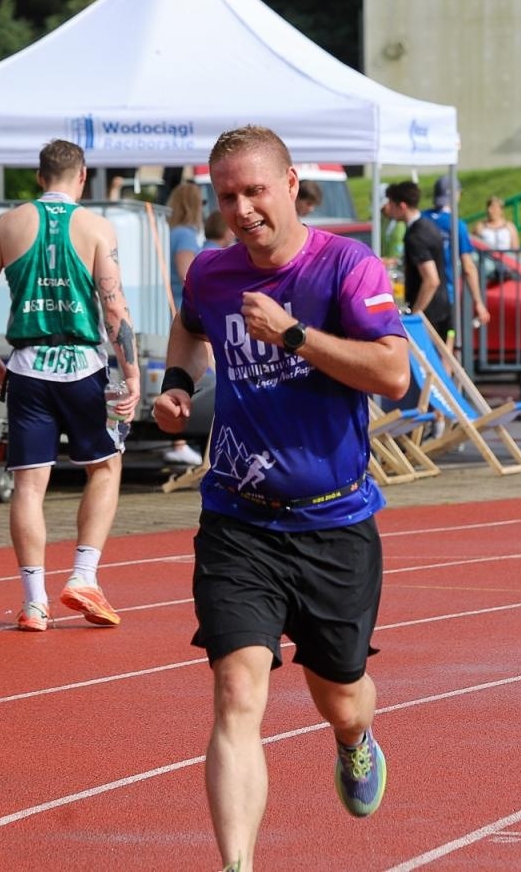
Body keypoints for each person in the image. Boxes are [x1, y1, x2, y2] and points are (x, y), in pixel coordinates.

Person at [151, 125, 409, 871]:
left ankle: (355, 742)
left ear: (291, 184)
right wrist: (175, 386)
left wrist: (296, 336)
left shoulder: (346, 268)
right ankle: (237, 866)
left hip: (334, 522)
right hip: (238, 520)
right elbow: (189, 326)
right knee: (237, 691)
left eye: (255, 191)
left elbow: (393, 374)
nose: (242, 209)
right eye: (227, 196)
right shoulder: (211, 272)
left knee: (342, 695)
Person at [0, 139, 141, 632]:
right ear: (81, 177)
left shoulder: (10, 223)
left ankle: (34, 601)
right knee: (105, 468)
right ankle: (84, 575)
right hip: (83, 366)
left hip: (27, 367)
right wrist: (131, 373)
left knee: (29, 483)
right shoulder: (97, 228)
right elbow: (114, 308)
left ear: (40, 178)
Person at [164, 183, 207, 467]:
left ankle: (179, 441)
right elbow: (189, 274)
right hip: (183, 311)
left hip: (171, 308)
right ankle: (179, 442)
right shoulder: (186, 235)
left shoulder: (170, 232)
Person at [424, 174, 491, 338]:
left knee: (424, 349)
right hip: (447, 296)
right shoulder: (457, 225)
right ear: (455, 195)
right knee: (447, 350)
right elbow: (468, 267)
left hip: (421, 295)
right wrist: (479, 303)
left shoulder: (422, 219)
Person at [382, 181, 450, 340]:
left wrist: (413, 317)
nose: (389, 209)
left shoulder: (415, 236)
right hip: (442, 308)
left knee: (428, 363)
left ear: (402, 206)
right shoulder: (428, 225)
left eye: (391, 204)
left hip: (429, 314)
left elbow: (431, 280)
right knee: (440, 362)